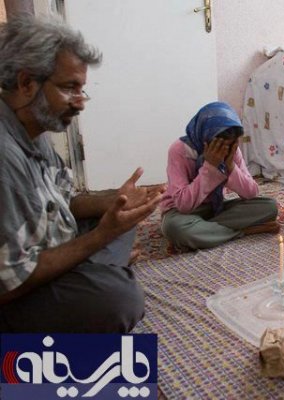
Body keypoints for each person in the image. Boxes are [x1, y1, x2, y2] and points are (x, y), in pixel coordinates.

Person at [0, 15, 165, 332]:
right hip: (12, 294)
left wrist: (115, 202)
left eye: (82, 90)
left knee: (122, 219)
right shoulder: (5, 157)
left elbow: (65, 200)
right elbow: (9, 283)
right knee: (121, 300)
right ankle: (101, 273)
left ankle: (98, 271)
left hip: (45, 250)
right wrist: (101, 237)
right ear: (26, 83)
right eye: (69, 88)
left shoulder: (33, 128)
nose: (80, 103)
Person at [160, 101, 279, 249]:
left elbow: (251, 193)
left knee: (269, 206)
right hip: (182, 213)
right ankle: (243, 231)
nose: (224, 150)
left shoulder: (231, 148)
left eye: (229, 145)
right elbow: (184, 205)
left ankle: (205, 232)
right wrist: (210, 167)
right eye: (218, 146)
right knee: (174, 228)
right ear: (205, 139)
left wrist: (230, 167)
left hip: (216, 209)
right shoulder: (179, 150)